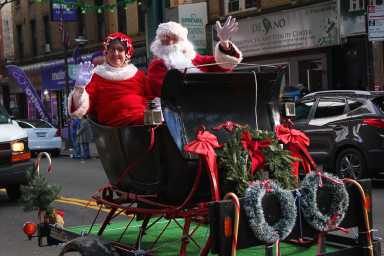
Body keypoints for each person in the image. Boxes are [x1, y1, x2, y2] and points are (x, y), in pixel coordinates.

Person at [146, 16, 243, 97]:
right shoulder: (157, 66)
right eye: (165, 39)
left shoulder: (197, 60)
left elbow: (222, 66)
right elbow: (166, 91)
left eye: (174, 38)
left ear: (183, 41)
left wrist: (224, 43)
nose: (170, 42)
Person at [68, 32, 148, 127]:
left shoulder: (138, 75)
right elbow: (80, 109)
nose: (116, 53)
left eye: (120, 50)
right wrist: (80, 88)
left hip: (143, 122)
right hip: (116, 128)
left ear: (127, 54)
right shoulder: (96, 76)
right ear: (106, 52)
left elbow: (152, 97)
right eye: (112, 49)